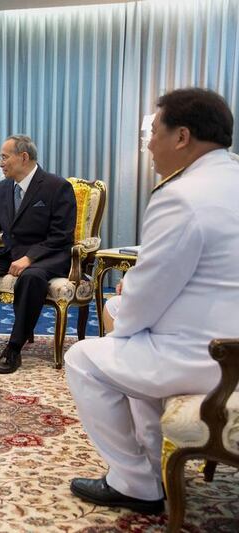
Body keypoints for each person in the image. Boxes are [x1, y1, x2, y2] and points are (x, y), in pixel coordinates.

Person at [65, 88, 239, 514]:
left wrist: (125, 318)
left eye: (152, 133)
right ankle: (150, 467)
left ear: (181, 136)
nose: (148, 145)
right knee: (129, 328)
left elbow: (146, 295)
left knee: (86, 357)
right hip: (226, 334)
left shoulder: (181, 195)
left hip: (208, 356)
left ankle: (135, 481)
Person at [0, 135, 76, 374]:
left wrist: (30, 258)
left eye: (5, 156)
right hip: (11, 253)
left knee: (31, 278)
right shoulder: (2, 189)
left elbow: (62, 235)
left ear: (24, 157)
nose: (1, 162)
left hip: (48, 256)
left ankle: (14, 347)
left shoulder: (57, 186)